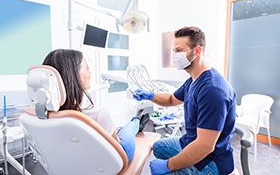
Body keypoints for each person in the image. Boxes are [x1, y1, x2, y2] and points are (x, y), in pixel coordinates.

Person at [133, 26, 236, 175]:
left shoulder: (213, 90)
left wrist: (168, 165)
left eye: (179, 50)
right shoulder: (193, 80)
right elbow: (170, 99)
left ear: (197, 51)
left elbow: (204, 147)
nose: (174, 55)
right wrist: (150, 95)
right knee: (157, 147)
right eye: (174, 51)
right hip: (190, 141)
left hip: (209, 161)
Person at [42, 49, 150, 163]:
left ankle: (122, 127)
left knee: (119, 129)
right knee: (129, 130)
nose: (90, 73)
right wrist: (113, 134)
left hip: (72, 163)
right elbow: (117, 149)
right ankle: (136, 121)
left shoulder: (41, 116)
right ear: (73, 76)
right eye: (87, 68)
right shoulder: (98, 116)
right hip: (112, 162)